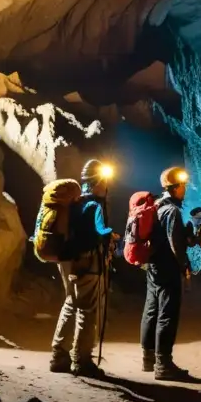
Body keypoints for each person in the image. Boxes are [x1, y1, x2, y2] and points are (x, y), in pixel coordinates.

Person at [50, 159, 119, 377]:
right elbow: (100, 229)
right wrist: (110, 234)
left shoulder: (74, 203)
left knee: (71, 303)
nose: (107, 186)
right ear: (98, 181)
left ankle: (58, 355)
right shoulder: (94, 205)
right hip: (88, 263)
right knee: (87, 311)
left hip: (68, 261)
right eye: (105, 181)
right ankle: (81, 360)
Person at [140, 167, 192, 381]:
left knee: (151, 310)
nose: (185, 190)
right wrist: (184, 265)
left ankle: (148, 359)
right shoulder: (172, 210)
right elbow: (175, 243)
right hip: (167, 267)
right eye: (184, 186)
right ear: (177, 187)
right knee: (167, 314)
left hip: (152, 266)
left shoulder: (156, 205)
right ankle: (163, 364)